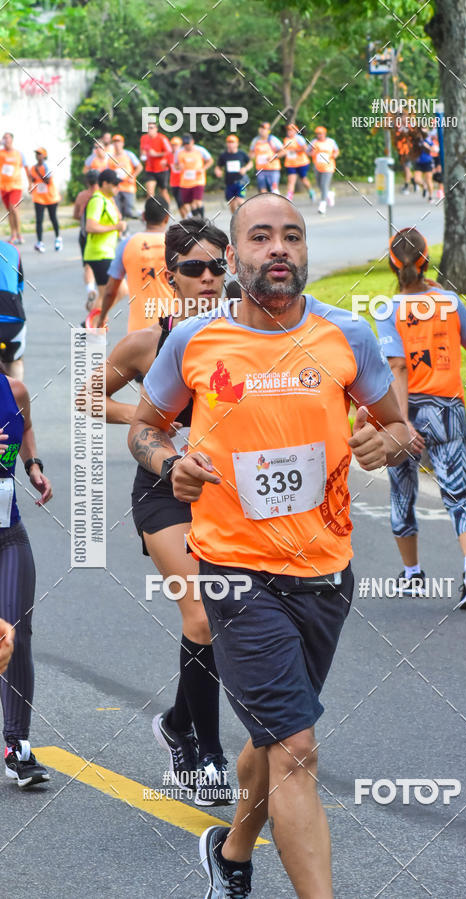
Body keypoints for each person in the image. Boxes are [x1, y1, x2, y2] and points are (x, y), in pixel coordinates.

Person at [129, 192, 411, 897]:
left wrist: (392, 440)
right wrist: (169, 463)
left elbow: (403, 426)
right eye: (261, 236)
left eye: (292, 235)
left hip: (325, 573)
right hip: (233, 573)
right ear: (236, 257)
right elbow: (145, 426)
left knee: (272, 737)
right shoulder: (194, 343)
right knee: (296, 746)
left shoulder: (348, 336)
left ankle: (230, 850)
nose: (278, 247)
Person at [94, 218, 235, 804]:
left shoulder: (243, 335)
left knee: (227, 623)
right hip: (162, 490)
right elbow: (88, 394)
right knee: (201, 616)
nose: (207, 279)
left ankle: (177, 724)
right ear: (169, 276)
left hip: (230, 491)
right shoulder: (148, 343)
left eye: (216, 268)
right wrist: (153, 416)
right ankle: (208, 757)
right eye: (194, 269)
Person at [378, 227, 466, 608]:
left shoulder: (388, 310)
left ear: (393, 266)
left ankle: (412, 574)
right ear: (427, 260)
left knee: (401, 493)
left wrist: (402, 423)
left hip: (408, 411)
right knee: (458, 494)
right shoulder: (449, 302)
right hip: (449, 408)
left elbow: (398, 369)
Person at [0, 363, 53, 787]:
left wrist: (32, 466)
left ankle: (17, 746)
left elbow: (26, 427)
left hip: (8, 535)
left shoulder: (14, 391)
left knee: (14, 633)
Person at [98, 196, 171, 331]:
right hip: (173, 327)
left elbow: (110, 291)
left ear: (143, 216)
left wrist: (102, 318)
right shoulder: (178, 245)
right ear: (167, 218)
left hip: (139, 330)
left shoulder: (127, 244)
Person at [83, 169, 127, 312]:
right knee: (109, 294)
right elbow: (90, 226)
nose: (117, 187)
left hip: (106, 253)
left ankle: (95, 322)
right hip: (99, 253)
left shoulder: (108, 200)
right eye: (114, 184)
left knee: (118, 291)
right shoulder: (97, 200)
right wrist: (115, 226)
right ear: (104, 183)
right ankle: (89, 326)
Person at [73, 170, 100, 309]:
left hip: (84, 235)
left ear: (87, 182)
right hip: (101, 235)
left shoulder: (81, 196)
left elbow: (76, 215)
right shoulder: (103, 197)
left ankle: (90, 289)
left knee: (88, 265)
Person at [0, 239, 26, 380]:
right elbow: (20, 288)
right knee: (15, 362)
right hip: (13, 317)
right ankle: (16, 401)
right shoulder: (12, 249)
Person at [28, 148, 62, 253]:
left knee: (53, 218)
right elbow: (32, 180)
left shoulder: (48, 166)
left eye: (40, 154)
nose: (37, 155)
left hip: (51, 197)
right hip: (39, 197)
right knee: (39, 220)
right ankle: (40, 242)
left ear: (44, 156)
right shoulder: (32, 168)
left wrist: (40, 172)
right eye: (36, 154)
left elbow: (47, 181)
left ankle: (58, 238)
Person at [173, 134, 213, 219]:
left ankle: (202, 219)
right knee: (188, 204)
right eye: (185, 144)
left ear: (192, 142)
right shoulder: (179, 152)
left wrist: (203, 169)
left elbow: (210, 160)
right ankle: (196, 220)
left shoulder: (200, 150)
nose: (186, 146)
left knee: (197, 202)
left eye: (188, 143)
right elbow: (175, 165)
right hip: (185, 182)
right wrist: (178, 167)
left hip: (198, 180)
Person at [214, 134, 253, 212]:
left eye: (232, 142)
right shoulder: (224, 155)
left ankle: (248, 214)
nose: (231, 144)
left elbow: (250, 163)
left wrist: (245, 169)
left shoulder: (241, 154)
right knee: (232, 203)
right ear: (227, 144)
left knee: (239, 200)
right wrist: (218, 171)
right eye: (229, 142)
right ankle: (235, 219)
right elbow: (218, 166)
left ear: (237, 144)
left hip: (241, 182)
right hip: (229, 183)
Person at [107, 134, 142, 219]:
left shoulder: (129, 154)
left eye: (119, 142)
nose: (117, 144)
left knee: (129, 212)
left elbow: (139, 167)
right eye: (115, 142)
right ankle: (122, 230)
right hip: (116, 188)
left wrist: (133, 176)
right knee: (117, 213)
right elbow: (108, 172)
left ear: (122, 143)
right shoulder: (110, 157)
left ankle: (142, 216)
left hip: (128, 187)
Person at [0, 133, 26, 245]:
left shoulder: (18, 154)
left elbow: (26, 167)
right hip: (3, 186)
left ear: (12, 140)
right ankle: (13, 234)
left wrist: (30, 183)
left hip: (16, 186)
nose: (5, 140)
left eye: (7, 138)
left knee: (13, 208)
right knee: (10, 211)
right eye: (4, 138)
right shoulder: (1, 153)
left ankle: (19, 234)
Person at [280, 123, 314, 201]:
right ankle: (289, 197)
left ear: (295, 131)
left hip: (301, 162)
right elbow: (284, 151)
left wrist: (294, 150)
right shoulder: (286, 140)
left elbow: (304, 148)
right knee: (291, 180)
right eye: (288, 130)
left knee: (303, 179)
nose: (289, 132)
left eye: (291, 130)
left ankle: (310, 191)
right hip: (290, 163)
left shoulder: (299, 139)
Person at [139, 122, 172, 203]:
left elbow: (170, 152)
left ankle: (167, 212)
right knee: (149, 193)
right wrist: (143, 155)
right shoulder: (144, 138)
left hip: (162, 169)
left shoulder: (162, 138)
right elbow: (142, 151)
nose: (149, 130)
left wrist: (156, 154)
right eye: (148, 128)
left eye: (152, 128)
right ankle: (151, 212)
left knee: (163, 191)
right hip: (150, 169)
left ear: (156, 129)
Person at [310, 125, 339, 214]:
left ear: (324, 134)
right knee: (320, 185)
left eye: (321, 134)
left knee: (324, 184)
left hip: (328, 167)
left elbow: (336, 151)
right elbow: (307, 152)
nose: (319, 135)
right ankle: (329, 193)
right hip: (318, 166)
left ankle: (322, 205)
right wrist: (312, 153)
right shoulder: (314, 142)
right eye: (317, 134)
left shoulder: (331, 141)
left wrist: (334, 155)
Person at [249, 122, 283, 195]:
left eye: (264, 129)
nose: (262, 130)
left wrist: (273, 157)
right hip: (260, 170)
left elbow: (284, 152)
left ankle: (277, 204)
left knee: (274, 189)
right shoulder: (255, 141)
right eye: (261, 128)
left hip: (273, 169)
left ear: (268, 130)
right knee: (262, 191)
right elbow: (251, 153)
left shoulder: (273, 139)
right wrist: (251, 157)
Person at [169, 136, 183, 211]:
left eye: (176, 145)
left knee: (183, 201)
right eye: (173, 145)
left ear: (180, 145)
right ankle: (184, 220)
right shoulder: (169, 155)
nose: (174, 147)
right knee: (179, 204)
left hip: (183, 182)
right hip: (174, 182)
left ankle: (190, 217)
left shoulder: (183, 155)